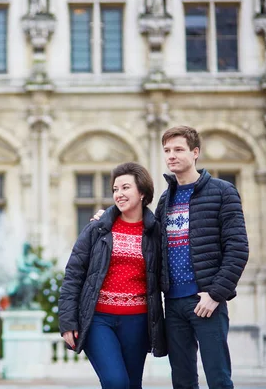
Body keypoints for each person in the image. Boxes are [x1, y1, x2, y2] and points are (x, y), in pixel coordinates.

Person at [92, 126, 249, 389]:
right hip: (173, 303)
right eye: (167, 151)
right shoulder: (166, 199)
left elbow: (238, 249)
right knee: (183, 381)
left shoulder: (223, 192)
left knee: (218, 378)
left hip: (206, 300)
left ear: (195, 152)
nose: (171, 156)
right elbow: (139, 225)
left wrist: (215, 294)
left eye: (178, 149)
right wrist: (105, 217)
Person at [58, 162, 167, 389]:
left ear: (142, 193)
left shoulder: (156, 232)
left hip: (137, 321)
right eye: (115, 189)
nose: (119, 194)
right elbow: (73, 274)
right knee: (116, 382)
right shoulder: (97, 229)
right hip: (98, 320)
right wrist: (68, 321)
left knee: (132, 385)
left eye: (125, 188)